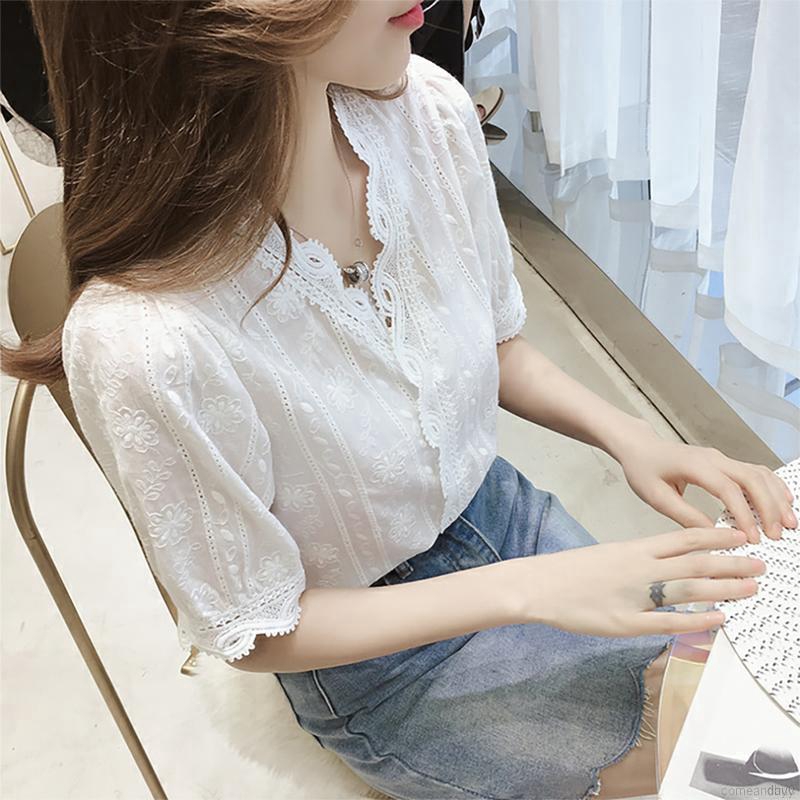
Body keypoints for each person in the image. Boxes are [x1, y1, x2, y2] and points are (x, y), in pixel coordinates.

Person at [2, 2, 794, 798]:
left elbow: (492, 342)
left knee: (750, 685)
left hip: (500, 514)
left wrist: (632, 438)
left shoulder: (427, 115)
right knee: (725, 767)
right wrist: (532, 591)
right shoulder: (149, 340)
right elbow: (258, 627)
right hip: (373, 657)